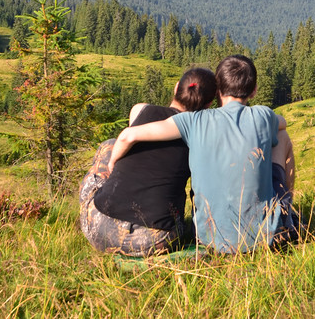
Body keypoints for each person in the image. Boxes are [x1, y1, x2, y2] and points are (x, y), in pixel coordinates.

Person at [108, 55, 300, 253]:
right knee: (282, 136)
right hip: (263, 237)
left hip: (208, 237)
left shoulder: (193, 120)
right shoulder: (264, 115)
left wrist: (112, 162)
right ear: (254, 91)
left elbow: (130, 135)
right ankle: (286, 212)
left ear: (218, 91)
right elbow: (282, 123)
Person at [79, 67, 217, 256]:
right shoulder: (200, 136)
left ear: (177, 87)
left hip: (99, 230)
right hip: (153, 241)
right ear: (209, 104)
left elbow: (128, 140)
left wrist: (112, 163)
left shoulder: (140, 110)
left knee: (109, 145)